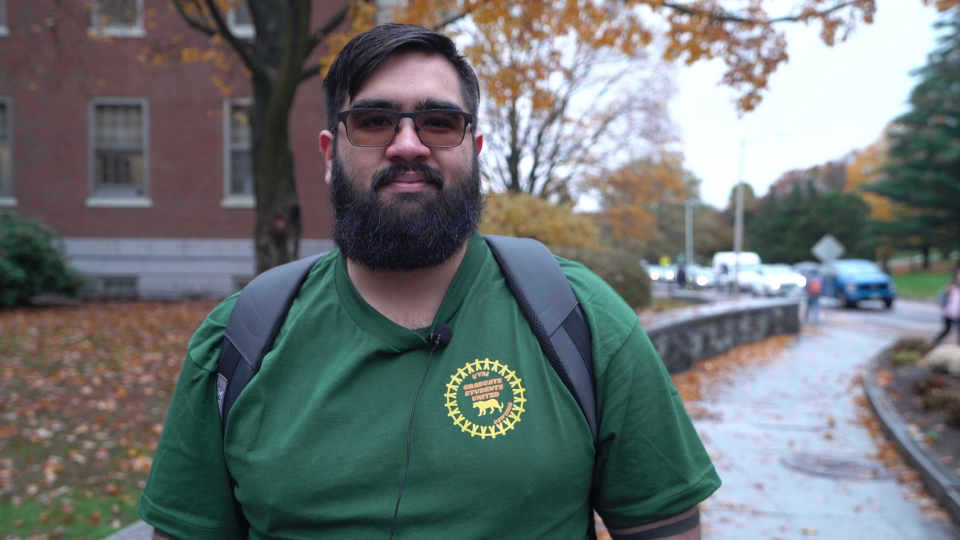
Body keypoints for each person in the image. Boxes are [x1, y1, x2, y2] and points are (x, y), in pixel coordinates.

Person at [138, 24, 719, 540]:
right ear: (328, 153)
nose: (409, 144)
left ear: (476, 150)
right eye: (373, 121)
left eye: (440, 122)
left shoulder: (583, 321)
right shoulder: (237, 342)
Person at [933, 269, 960, 346]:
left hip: (958, 314)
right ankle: (935, 341)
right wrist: (944, 306)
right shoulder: (951, 286)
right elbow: (941, 297)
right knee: (946, 329)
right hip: (949, 312)